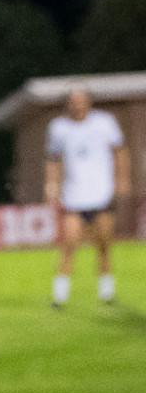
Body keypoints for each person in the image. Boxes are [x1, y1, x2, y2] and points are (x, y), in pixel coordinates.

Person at [45, 86, 129, 307]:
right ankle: (59, 296)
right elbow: (53, 158)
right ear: (68, 104)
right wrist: (51, 184)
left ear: (89, 102)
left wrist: (122, 179)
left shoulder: (105, 123)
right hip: (74, 198)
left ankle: (106, 293)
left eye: (81, 100)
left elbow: (120, 151)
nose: (77, 105)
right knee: (70, 244)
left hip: (101, 196)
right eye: (73, 101)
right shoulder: (58, 128)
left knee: (103, 245)